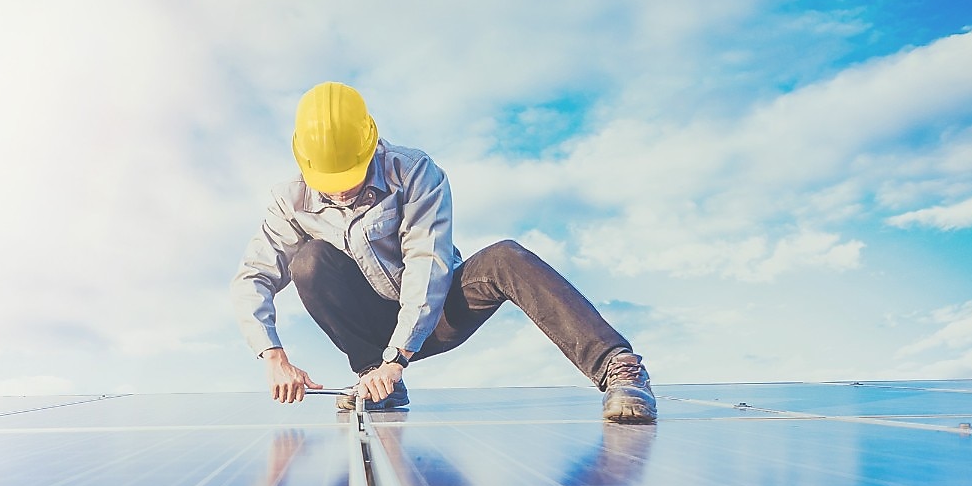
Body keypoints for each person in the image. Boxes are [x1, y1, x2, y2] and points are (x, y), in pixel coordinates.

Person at [231, 81, 657, 422]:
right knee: (310, 261)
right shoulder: (289, 200)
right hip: (372, 328)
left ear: (371, 144)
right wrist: (273, 356)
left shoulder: (415, 172)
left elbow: (426, 264)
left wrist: (397, 357)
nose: (342, 189)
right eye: (330, 178)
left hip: (439, 310)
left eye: (351, 174)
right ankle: (377, 385)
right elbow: (253, 277)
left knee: (506, 256)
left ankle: (618, 367)